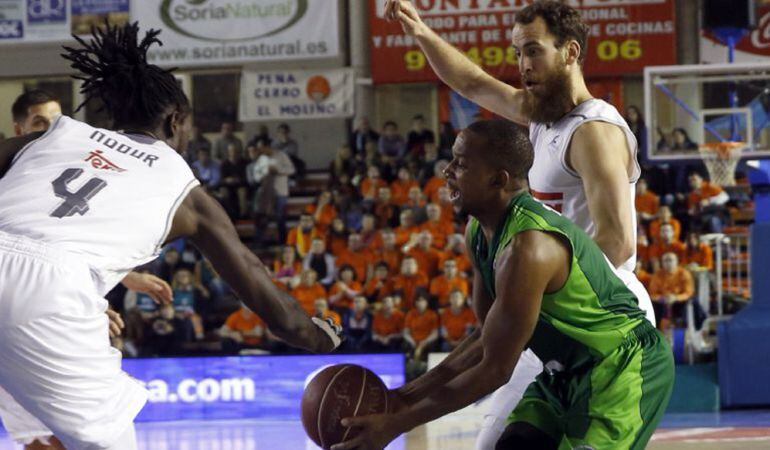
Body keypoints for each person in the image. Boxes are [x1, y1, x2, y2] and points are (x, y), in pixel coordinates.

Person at [0, 23, 341, 450]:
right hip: (50, 293)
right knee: (108, 443)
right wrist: (315, 335)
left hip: (39, 276)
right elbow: (260, 288)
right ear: (175, 120)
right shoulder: (185, 191)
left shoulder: (60, 133)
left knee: (36, 433)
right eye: (190, 127)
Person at [382, 2, 656, 447]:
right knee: (495, 443)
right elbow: (471, 82)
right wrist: (420, 31)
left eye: (533, 51)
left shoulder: (594, 131)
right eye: (517, 54)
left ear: (570, 52)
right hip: (552, 306)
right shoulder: (542, 117)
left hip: (600, 316)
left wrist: (539, 287)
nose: (523, 65)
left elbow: (618, 243)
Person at [332, 121, 672, 450]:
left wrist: (396, 424)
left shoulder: (528, 248)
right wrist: (399, 399)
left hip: (623, 367)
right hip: (567, 372)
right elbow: (485, 336)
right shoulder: (479, 232)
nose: (447, 170)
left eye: (461, 164)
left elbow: (496, 369)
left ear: (498, 179)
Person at [2, 88, 175, 450]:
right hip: (21, 305)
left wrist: (125, 279)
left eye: (55, 119)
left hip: (39, 301)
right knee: (50, 438)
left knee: (54, 436)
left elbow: (57, 242)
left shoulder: (58, 161)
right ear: (19, 128)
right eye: (39, 122)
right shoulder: (13, 166)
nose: (50, 127)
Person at [649, 252, 695, 327]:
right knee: (653, 307)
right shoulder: (657, 275)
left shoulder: (684, 273)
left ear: (676, 261)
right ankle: (656, 331)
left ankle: (681, 333)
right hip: (663, 301)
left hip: (679, 301)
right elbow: (652, 293)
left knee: (687, 305)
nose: (668, 263)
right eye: (666, 261)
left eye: (671, 260)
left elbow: (688, 292)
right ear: (662, 263)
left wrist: (676, 298)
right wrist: (662, 298)